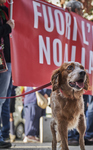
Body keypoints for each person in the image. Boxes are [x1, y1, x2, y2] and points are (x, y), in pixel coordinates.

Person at [65, 0, 93, 145]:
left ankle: (79, 135)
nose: (82, 13)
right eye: (80, 11)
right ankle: (71, 135)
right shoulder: (64, 23)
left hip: (81, 70)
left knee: (80, 104)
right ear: (74, 10)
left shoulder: (84, 26)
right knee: (70, 103)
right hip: (70, 71)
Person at [0, 0, 14, 148]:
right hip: (3, 60)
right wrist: (7, 27)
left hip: (5, 60)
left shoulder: (4, 10)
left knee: (2, 100)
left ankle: (2, 136)